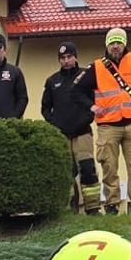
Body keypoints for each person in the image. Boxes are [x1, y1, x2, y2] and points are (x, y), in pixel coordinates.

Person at [79, 28, 131, 215]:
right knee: (109, 166)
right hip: (107, 125)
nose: (115, 46)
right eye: (112, 43)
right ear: (106, 45)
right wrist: (91, 106)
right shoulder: (97, 66)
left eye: (119, 42)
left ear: (124, 43)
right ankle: (112, 204)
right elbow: (77, 90)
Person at [43, 43, 103, 215]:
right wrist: (55, 123)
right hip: (61, 135)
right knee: (66, 173)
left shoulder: (86, 76)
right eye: (62, 58)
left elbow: (94, 101)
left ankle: (93, 208)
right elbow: (45, 108)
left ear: (75, 57)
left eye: (69, 57)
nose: (66, 61)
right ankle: (69, 209)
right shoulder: (52, 81)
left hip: (82, 132)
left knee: (87, 170)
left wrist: (86, 119)